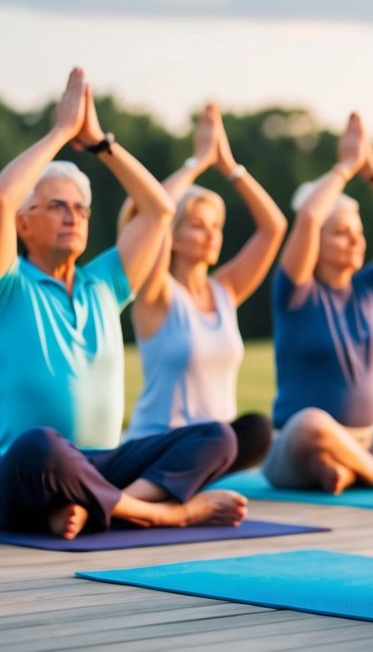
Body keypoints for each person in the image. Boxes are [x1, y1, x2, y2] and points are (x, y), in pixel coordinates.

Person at [0, 68, 246, 540]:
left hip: (99, 464)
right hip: (15, 472)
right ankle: (161, 513)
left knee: (218, 436)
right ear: (24, 224)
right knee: (39, 445)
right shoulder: (4, 286)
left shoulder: (106, 283)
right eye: (56, 206)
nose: (72, 216)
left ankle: (98, 505)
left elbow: (159, 209)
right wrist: (61, 131)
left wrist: (100, 143)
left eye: (80, 208)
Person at [262, 111, 373, 494]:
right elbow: (310, 215)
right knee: (312, 422)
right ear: (316, 242)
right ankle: (371, 469)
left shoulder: (369, 290)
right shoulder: (295, 292)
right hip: (300, 442)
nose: (356, 241)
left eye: (357, 233)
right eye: (342, 233)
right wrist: (346, 166)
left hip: (369, 439)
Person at [120, 102, 287, 472]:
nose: (211, 234)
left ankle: (188, 480)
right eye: (198, 224)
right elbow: (138, 214)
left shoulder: (225, 291)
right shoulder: (156, 292)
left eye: (216, 225)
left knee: (256, 430)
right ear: (172, 236)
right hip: (159, 444)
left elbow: (274, 227)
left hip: (215, 444)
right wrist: (195, 163)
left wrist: (229, 166)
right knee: (220, 438)